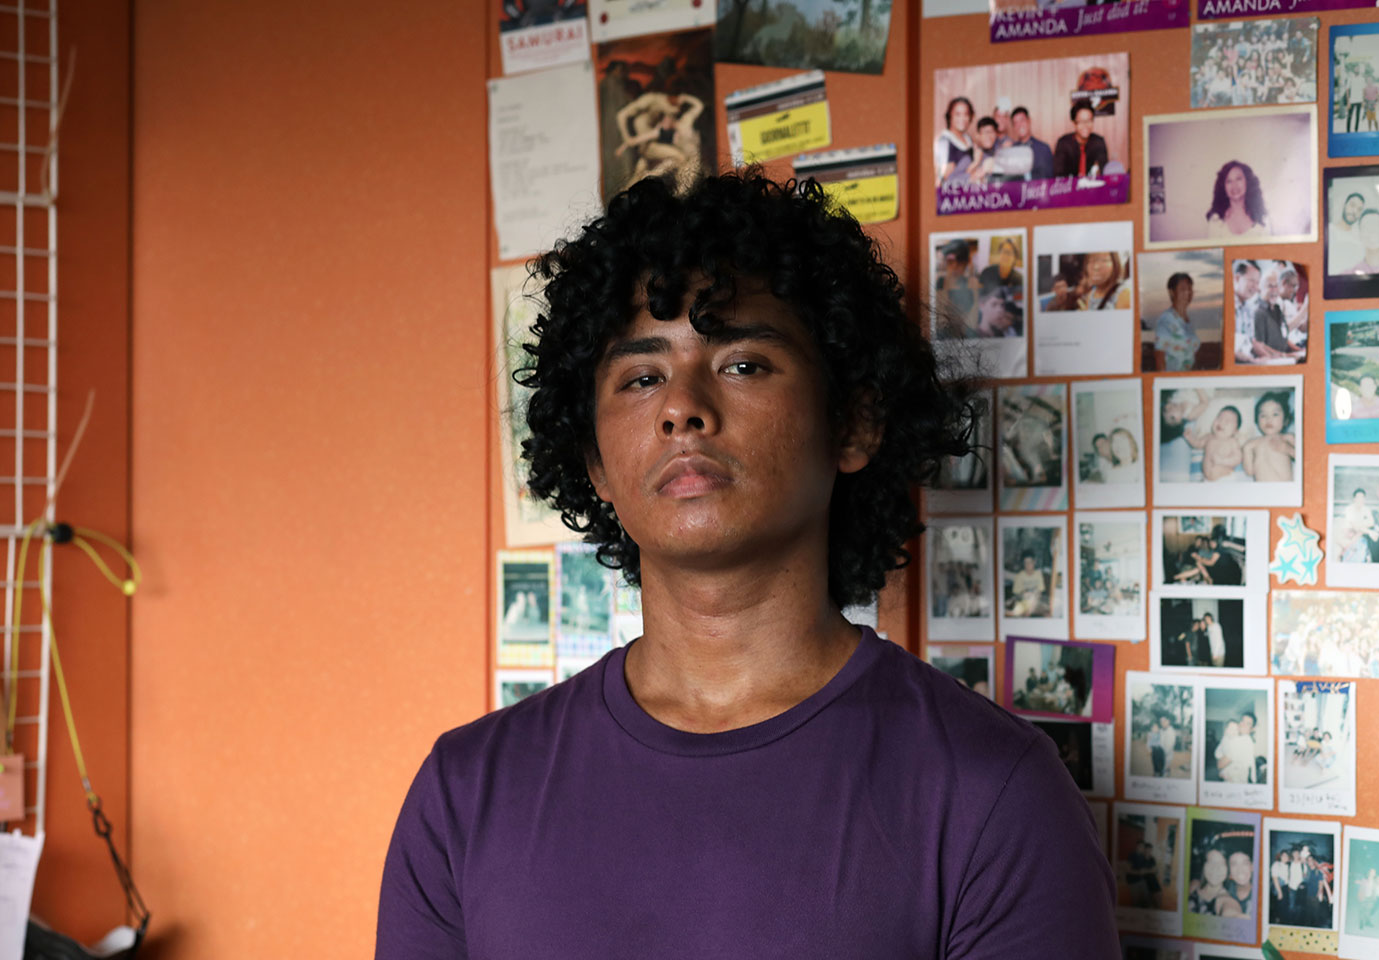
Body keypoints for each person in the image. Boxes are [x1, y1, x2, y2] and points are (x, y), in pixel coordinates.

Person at [375, 170, 1121, 959]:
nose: (682, 408)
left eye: (742, 364)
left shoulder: (994, 794)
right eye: (642, 377)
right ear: (595, 463)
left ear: (853, 424)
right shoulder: (464, 796)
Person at [1205, 160, 1270, 239]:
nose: (1234, 185)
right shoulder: (1216, 220)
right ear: (1223, 187)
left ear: (1248, 182)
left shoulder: (1262, 218)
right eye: (1229, 181)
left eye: (1238, 179)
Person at [1049, 252, 1130, 311]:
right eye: (1090, 261)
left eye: (1104, 260)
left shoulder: (1124, 294)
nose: (1096, 267)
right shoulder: (1090, 295)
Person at [1242, 391, 1295, 482]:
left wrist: (1288, 449)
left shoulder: (1287, 438)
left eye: (1275, 414)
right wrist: (1246, 450)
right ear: (1257, 420)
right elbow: (1249, 472)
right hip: (1262, 488)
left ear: (1285, 419)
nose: (1268, 419)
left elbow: (1305, 458)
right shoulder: (1253, 443)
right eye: (1263, 415)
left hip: (1283, 486)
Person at [1153, 272, 1200, 371]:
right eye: (1183, 289)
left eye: (1190, 288)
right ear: (1172, 292)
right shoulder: (1166, 320)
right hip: (1172, 379)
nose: (1188, 292)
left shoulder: (1188, 322)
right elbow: (1159, 358)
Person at [1053, 102, 1108, 179]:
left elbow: (1103, 172)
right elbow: (1059, 174)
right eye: (1081, 121)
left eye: (1089, 120)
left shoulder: (1099, 142)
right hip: (1070, 185)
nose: (1085, 125)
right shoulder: (1063, 143)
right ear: (1074, 123)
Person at [935, 95, 976, 186]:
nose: (962, 118)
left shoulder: (968, 139)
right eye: (958, 114)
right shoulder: (944, 141)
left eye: (966, 114)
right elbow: (940, 181)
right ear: (950, 116)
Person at [1007, 106, 1054, 180]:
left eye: (1022, 120)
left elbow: (1049, 178)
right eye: (1016, 123)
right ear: (1014, 127)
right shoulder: (1011, 150)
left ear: (1029, 120)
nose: (1020, 125)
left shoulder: (1044, 149)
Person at [1347, 209, 1379, 275]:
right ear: (1360, 234)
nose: (1372, 231)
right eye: (1366, 226)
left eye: (1377, 225)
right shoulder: (1350, 274)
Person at [1329, 191, 1366, 274]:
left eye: (1359, 209)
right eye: (1352, 205)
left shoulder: (1359, 240)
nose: (1354, 211)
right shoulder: (1329, 230)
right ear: (1344, 205)